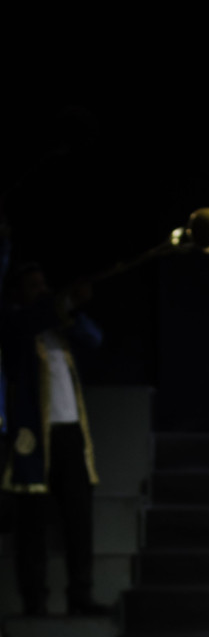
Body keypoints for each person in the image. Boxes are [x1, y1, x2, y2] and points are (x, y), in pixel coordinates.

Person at [0, 262, 108, 616]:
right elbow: (24, 326)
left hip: (70, 431)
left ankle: (81, 594)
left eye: (45, 285)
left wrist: (70, 310)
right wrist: (63, 303)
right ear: (17, 293)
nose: (43, 291)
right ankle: (35, 600)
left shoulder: (61, 327)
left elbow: (94, 339)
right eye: (34, 286)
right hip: (33, 434)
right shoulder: (15, 323)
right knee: (32, 522)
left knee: (78, 517)